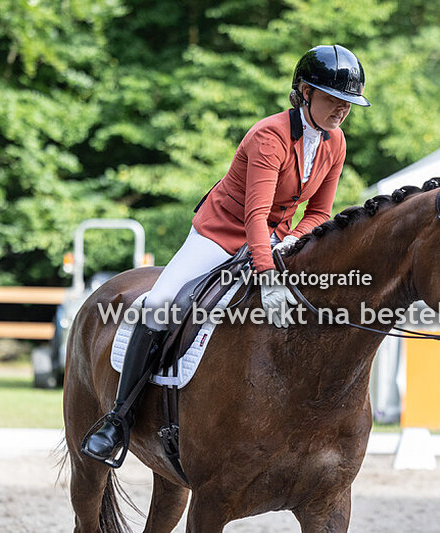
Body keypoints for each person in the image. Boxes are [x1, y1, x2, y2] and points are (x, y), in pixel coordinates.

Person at [81, 44, 371, 466]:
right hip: (220, 233)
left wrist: (290, 244)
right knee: (159, 304)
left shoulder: (335, 142)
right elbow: (254, 214)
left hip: (276, 240)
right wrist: (269, 273)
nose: (341, 109)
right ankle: (118, 420)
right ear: (305, 92)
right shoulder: (268, 136)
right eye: (333, 98)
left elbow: (321, 213)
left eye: (347, 102)